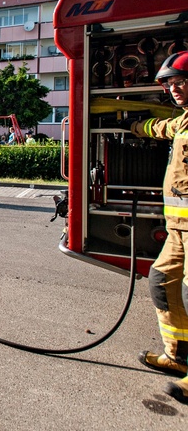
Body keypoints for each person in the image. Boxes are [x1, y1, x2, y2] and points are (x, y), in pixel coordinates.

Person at [123, 51, 188, 403]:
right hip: (179, 230)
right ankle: (177, 356)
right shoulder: (184, 121)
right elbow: (160, 128)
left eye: (180, 82)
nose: (174, 90)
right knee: (162, 281)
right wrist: (133, 125)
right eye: (171, 85)